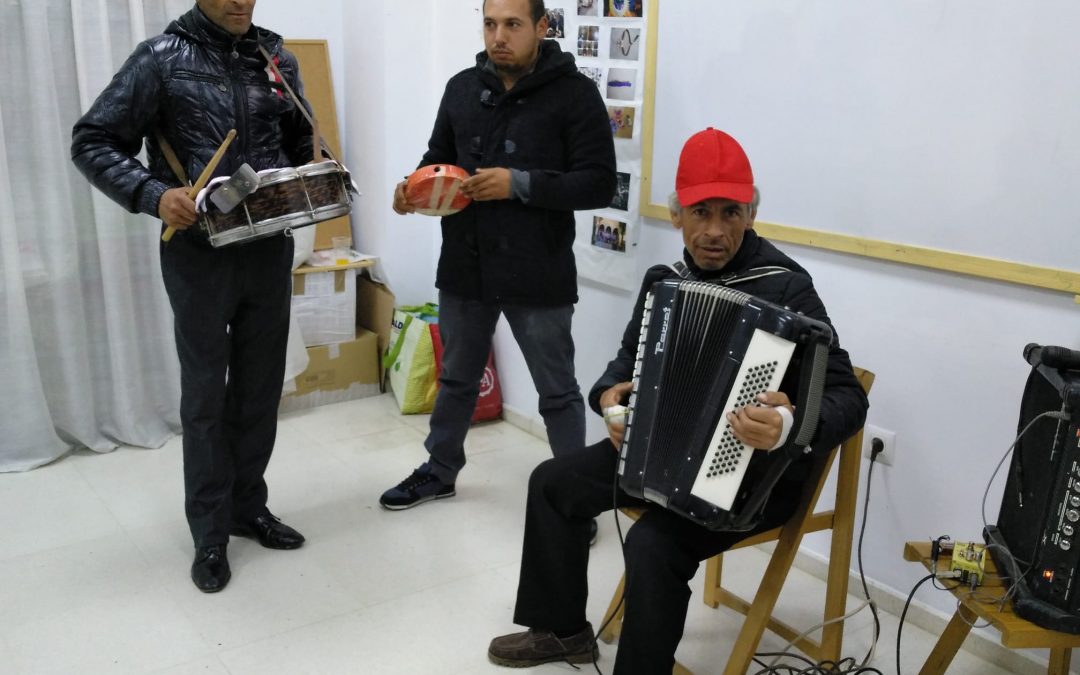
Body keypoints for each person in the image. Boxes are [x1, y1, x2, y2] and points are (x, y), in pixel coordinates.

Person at [486, 128, 869, 672]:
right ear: (677, 216)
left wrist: (785, 423)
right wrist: (610, 400)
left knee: (651, 544)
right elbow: (624, 364)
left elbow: (847, 397)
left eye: (730, 213)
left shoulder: (787, 288)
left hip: (748, 479)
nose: (714, 231)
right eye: (700, 212)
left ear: (751, 214)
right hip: (655, 454)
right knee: (553, 483)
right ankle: (563, 631)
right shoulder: (665, 281)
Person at [71, 0, 316, 593]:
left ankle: (247, 507)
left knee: (259, 388)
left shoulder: (274, 56)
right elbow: (92, 140)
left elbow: (299, 140)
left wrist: (297, 177)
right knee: (206, 395)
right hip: (198, 253)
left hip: (267, 245)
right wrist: (154, 194)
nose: (240, 2)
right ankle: (209, 532)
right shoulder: (159, 58)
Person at [382, 0, 616, 511]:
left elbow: (599, 183)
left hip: (539, 269)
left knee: (556, 390)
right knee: (457, 379)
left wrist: (519, 184)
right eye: (490, 24)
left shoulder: (575, 95)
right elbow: (436, 161)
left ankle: (572, 493)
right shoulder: (463, 88)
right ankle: (439, 470)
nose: (498, 36)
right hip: (466, 262)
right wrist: (412, 189)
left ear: (541, 27)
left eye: (512, 24)